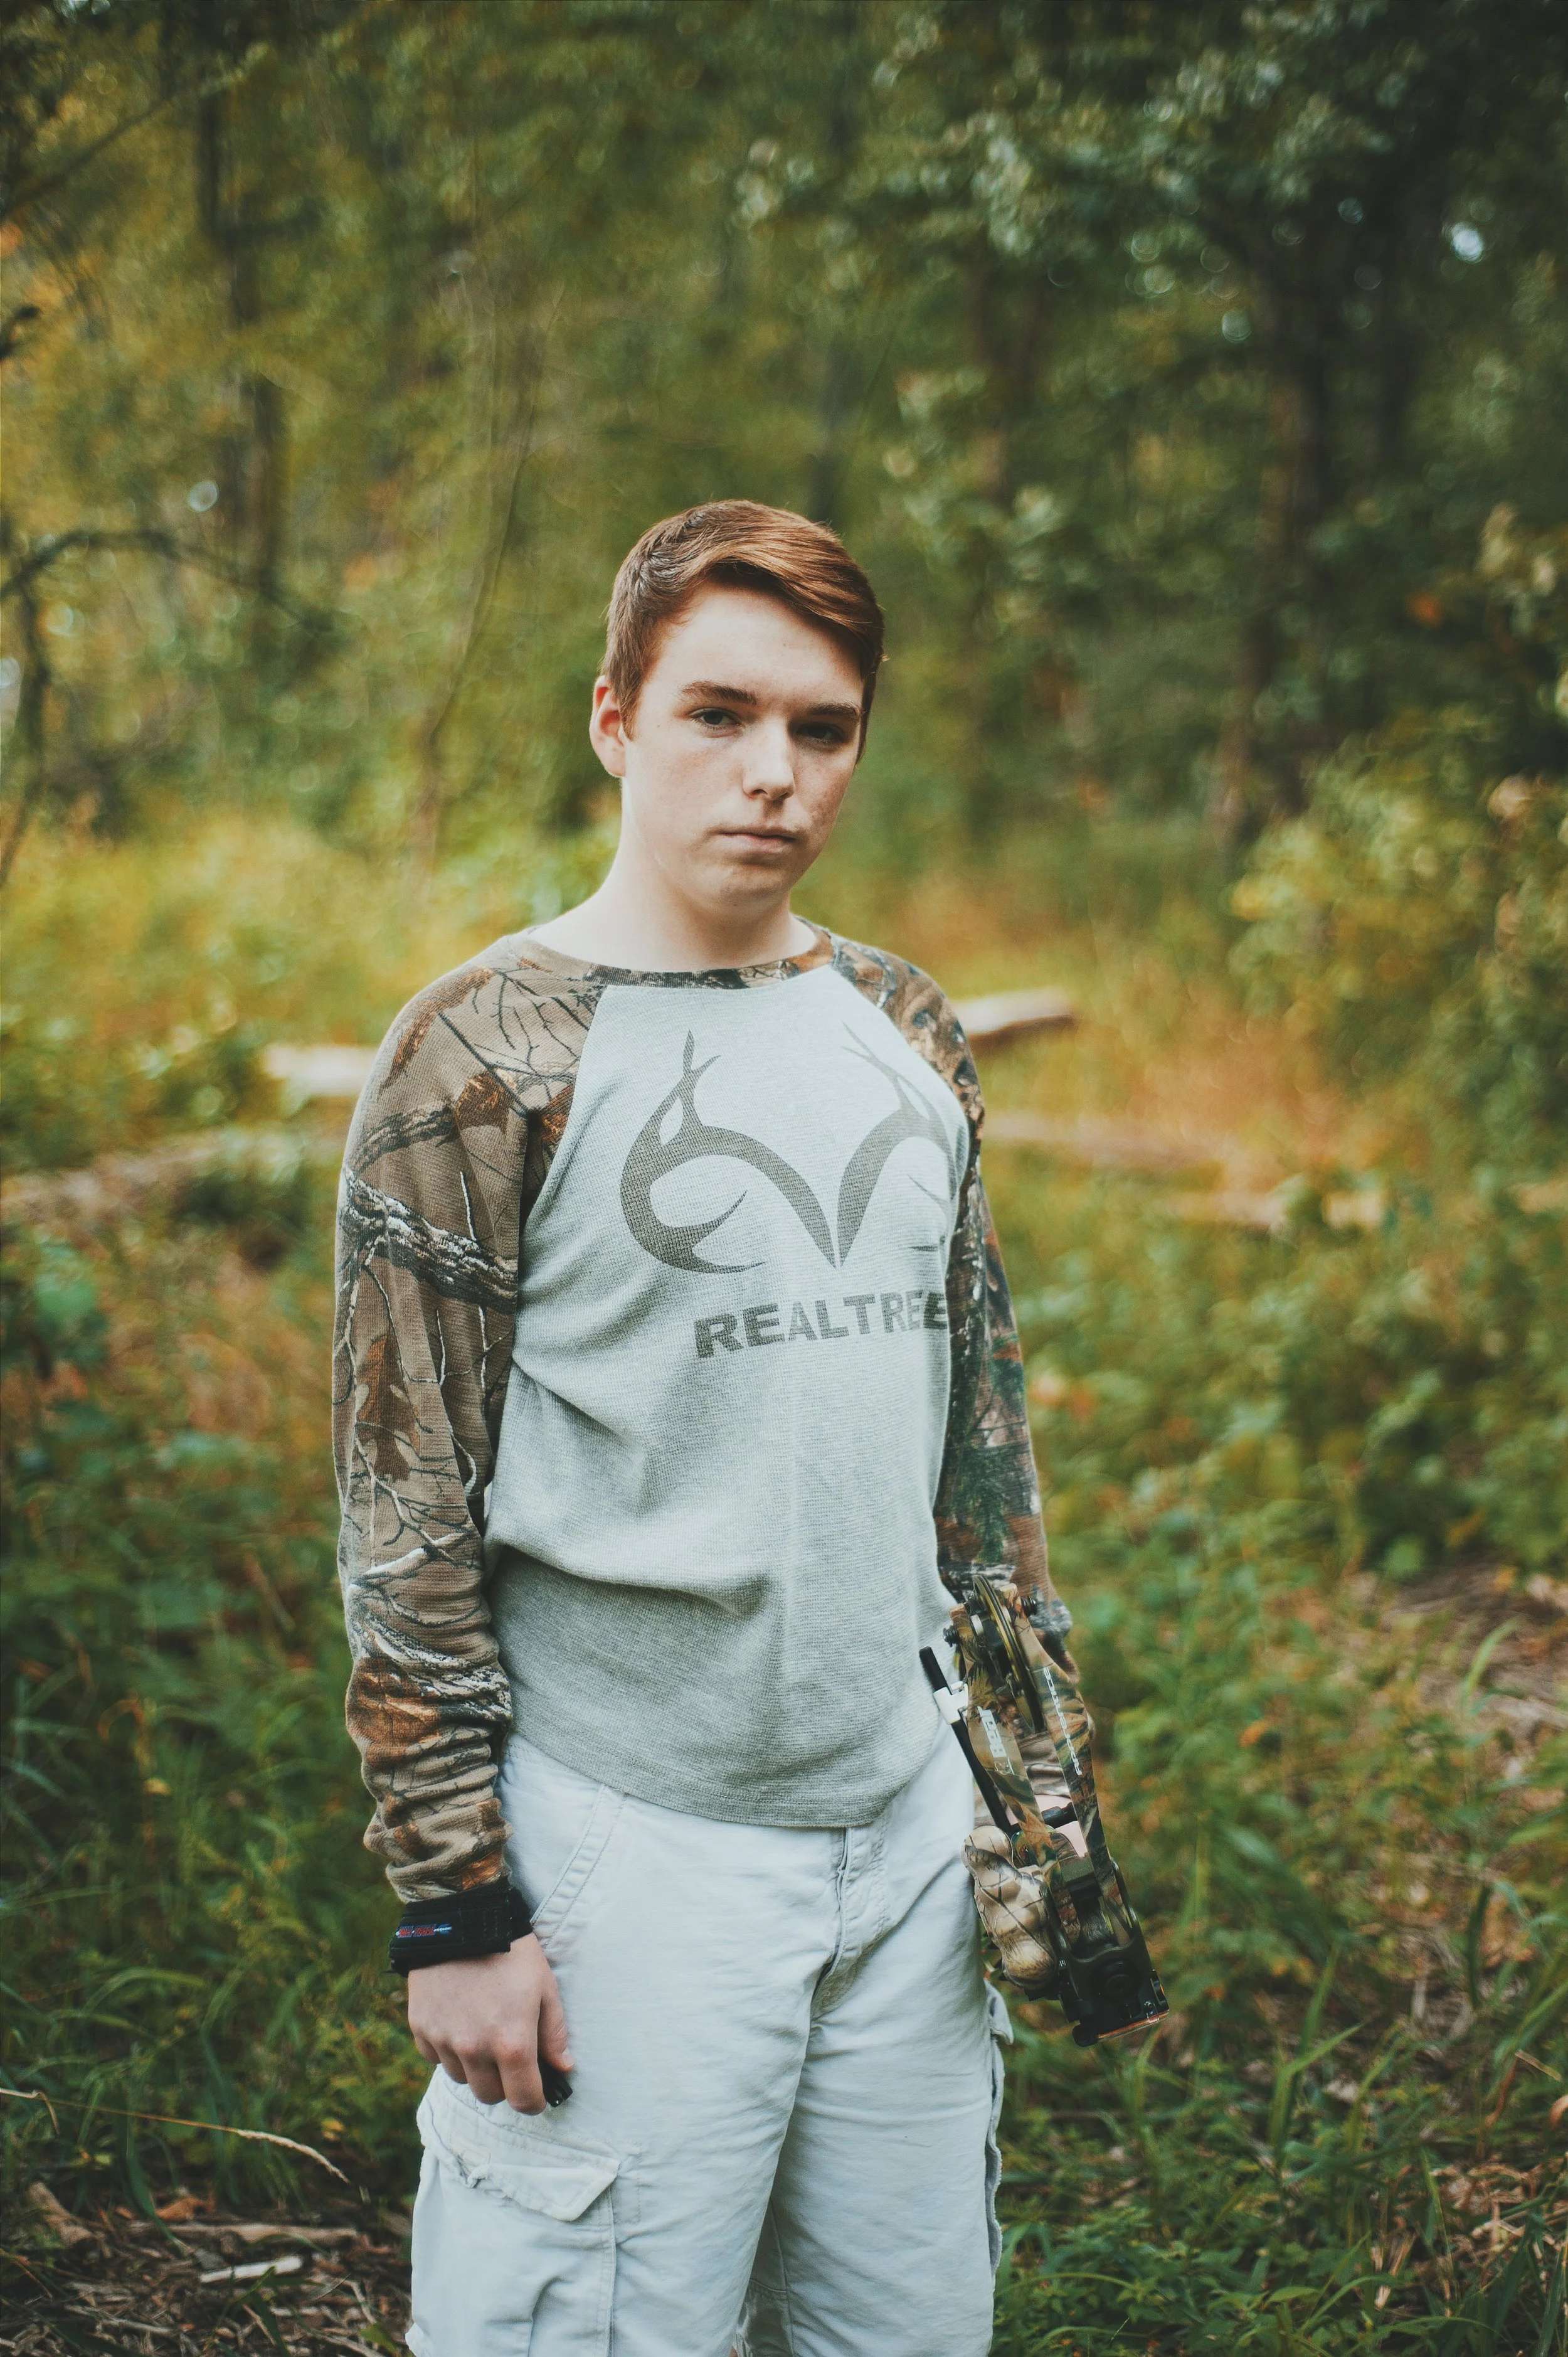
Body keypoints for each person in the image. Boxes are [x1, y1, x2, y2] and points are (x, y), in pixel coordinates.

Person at [332, 501, 1079, 2356]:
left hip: (902, 1827)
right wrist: (456, 1905)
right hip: (630, 1843)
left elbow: (976, 1435)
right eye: (718, 716)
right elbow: (403, 1505)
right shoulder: (485, 1052)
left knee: (902, 2326)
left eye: (823, 730)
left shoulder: (901, 1020)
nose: (775, 775)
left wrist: (1029, 1774)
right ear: (614, 720)